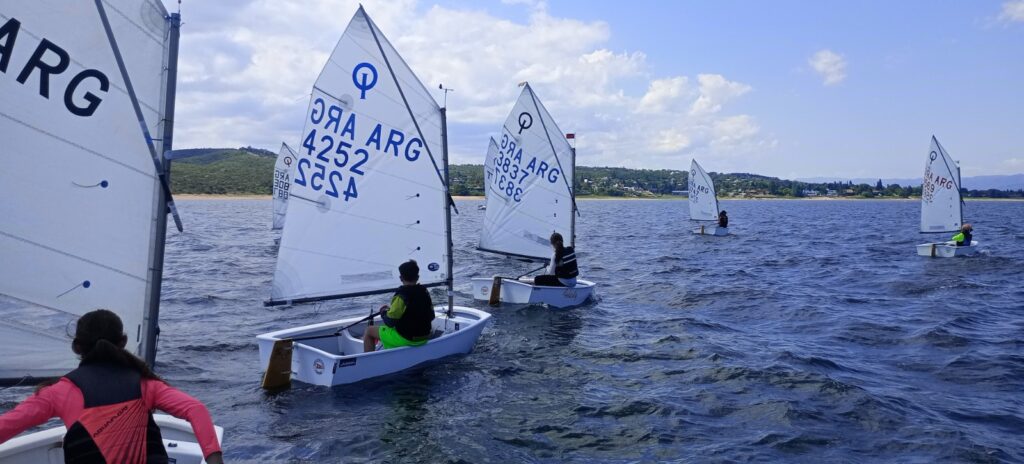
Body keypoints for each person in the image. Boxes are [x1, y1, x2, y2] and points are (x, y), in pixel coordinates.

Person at [0, 309, 223, 464]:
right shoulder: (146, 384)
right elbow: (196, 410)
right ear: (123, 342)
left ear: (77, 347)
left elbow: (5, 427)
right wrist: (214, 459)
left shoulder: (58, 392)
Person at [363, 260, 436, 352]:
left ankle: (369, 361)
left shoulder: (402, 296)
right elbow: (432, 316)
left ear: (401, 278)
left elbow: (390, 322)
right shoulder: (424, 292)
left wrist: (383, 312)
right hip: (425, 336)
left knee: (369, 331)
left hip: (407, 339)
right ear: (418, 277)